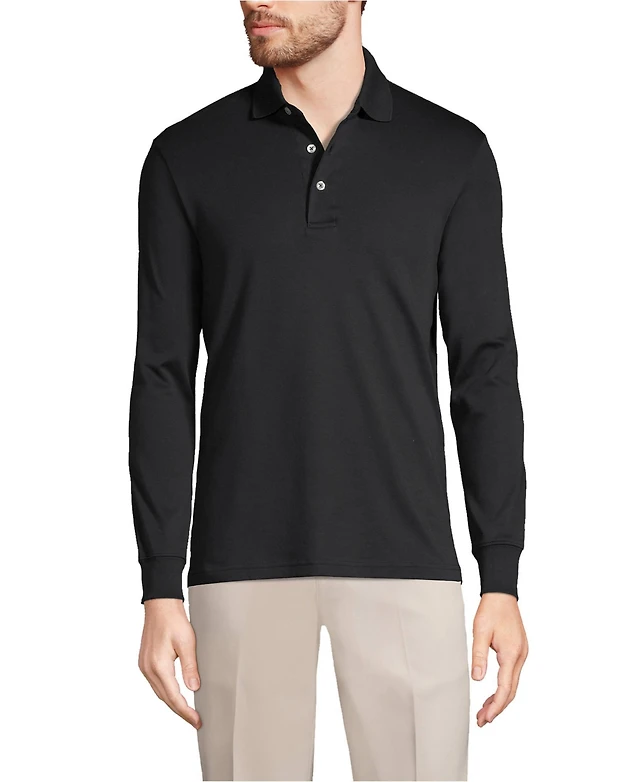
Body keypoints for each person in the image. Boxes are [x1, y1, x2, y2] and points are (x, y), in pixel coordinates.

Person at [128, 2, 529, 780]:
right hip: (237, 563)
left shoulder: (451, 153)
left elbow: (484, 368)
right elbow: (162, 374)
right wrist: (158, 584)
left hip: (408, 557)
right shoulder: (186, 157)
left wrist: (502, 577)